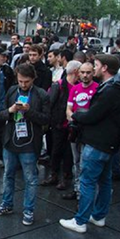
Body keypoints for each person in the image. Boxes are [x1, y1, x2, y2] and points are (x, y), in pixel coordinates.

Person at [59, 54, 120, 233]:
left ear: (104, 68)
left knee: (88, 181)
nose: (94, 68)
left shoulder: (109, 90)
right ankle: (98, 216)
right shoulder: (119, 87)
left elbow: (93, 115)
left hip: (97, 143)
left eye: (96, 65)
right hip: (109, 143)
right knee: (104, 181)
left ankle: (80, 221)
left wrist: (77, 115)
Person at [0, 63, 50, 226]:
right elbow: (1, 114)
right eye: (20, 81)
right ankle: (7, 203)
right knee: (8, 174)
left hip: (30, 143)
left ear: (33, 79)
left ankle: (28, 210)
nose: (23, 84)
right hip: (10, 139)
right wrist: (11, 111)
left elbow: (46, 119)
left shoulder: (41, 94)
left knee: (30, 178)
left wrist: (28, 111)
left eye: (26, 81)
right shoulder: (12, 90)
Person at [63, 62, 99, 200]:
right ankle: (77, 189)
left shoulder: (97, 89)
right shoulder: (75, 88)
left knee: (86, 164)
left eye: (88, 72)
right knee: (76, 161)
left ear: (93, 73)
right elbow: (68, 109)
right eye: (82, 72)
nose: (85, 75)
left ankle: (84, 194)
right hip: (75, 131)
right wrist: (74, 119)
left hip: (89, 133)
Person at [42, 60, 80, 189]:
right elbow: (50, 104)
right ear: (75, 71)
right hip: (58, 124)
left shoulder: (78, 86)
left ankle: (66, 176)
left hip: (71, 125)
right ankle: (54, 174)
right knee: (56, 150)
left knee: (69, 152)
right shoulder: (58, 85)